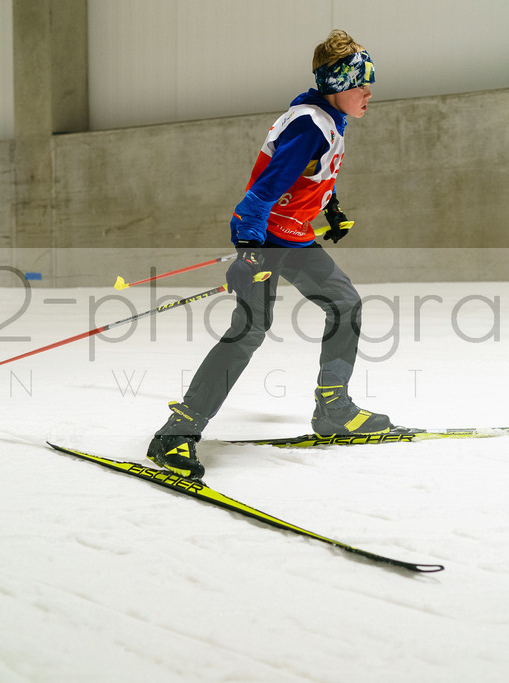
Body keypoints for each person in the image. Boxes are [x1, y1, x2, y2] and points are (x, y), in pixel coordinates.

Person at [146, 29, 390, 480]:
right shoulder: (309, 126)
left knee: (345, 303)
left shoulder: (329, 120)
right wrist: (250, 255)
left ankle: (333, 409)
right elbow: (257, 198)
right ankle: (175, 434)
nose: (369, 90)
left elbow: (308, 178)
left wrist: (328, 210)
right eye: (361, 82)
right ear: (337, 84)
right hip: (266, 238)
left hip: (293, 237)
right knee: (251, 329)